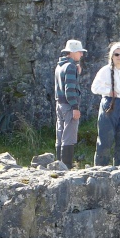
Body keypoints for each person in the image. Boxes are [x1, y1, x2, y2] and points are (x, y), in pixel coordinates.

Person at [91, 42, 120, 166]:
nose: (119, 57)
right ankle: (100, 168)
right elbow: (94, 87)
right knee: (106, 138)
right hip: (110, 103)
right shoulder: (105, 70)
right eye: (116, 54)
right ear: (111, 56)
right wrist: (108, 92)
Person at [54, 39, 86, 169]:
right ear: (73, 52)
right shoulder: (71, 66)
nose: (81, 54)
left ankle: (58, 164)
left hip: (59, 104)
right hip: (68, 105)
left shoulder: (59, 66)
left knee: (60, 134)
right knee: (69, 136)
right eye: (79, 52)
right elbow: (70, 89)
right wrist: (75, 107)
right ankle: (66, 166)